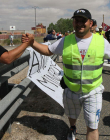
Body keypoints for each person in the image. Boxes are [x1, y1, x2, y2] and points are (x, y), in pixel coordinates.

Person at [22, 8, 110, 140]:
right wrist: (32, 43)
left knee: (92, 127)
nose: (79, 23)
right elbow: (47, 50)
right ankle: (72, 127)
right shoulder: (65, 40)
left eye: (83, 20)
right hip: (70, 89)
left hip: (93, 91)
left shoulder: (102, 42)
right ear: (73, 22)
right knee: (72, 116)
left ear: (90, 23)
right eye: (76, 20)